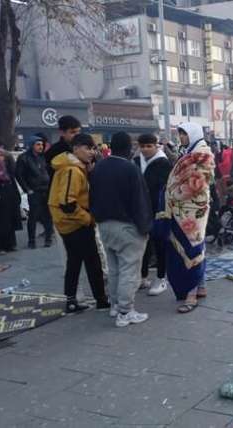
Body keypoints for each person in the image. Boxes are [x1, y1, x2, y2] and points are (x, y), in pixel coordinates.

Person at [90, 132, 152, 327]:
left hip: (104, 225)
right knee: (129, 270)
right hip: (127, 226)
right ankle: (125, 311)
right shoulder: (130, 169)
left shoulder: (99, 167)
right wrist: (145, 227)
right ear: (128, 147)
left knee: (114, 268)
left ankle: (115, 305)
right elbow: (140, 201)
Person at [158, 123, 215, 314]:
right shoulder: (192, 152)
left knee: (191, 250)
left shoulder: (202, 154)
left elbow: (196, 184)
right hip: (186, 209)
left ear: (193, 134)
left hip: (192, 209)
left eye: (183, 134)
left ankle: (191, 295)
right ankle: (200, 287)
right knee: (197, 248)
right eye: (180, 134)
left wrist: (173, 194)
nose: (181, 137)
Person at [48, 134, 109, 312]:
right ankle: (101, 299)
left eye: (93, 148)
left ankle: (71, 300)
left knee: (74, 262)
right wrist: (88, 219)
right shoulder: (72, 170)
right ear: (75, 149)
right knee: (92, 262)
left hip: (68, 222)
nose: (91, 152)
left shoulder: (73, 167)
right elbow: (67, 203)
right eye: (87, 148)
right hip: (75, 223)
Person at [133, 134, 173, 297]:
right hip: (141, 210)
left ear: (156, 146)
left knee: (159, 244)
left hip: (159, 211)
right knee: (143, 245)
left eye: (149, 146)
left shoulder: (163, 163)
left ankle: (160, 277)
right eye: (142, 146)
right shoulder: (135, 162)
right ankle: (142, 277)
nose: (145, 149)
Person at [16, 135, 54, 249]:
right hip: (34, 191)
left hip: (46, 190)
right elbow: (19, 175)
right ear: (31, 145)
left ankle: (48, 238)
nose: (40, 147)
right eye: (38, 144)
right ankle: (31, 240)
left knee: (48, 216)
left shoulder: (44, 157)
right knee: (33, 216)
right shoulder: (24, 158)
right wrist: (27, 189)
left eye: (42, 144)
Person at [44, 115, 82, 179]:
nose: (77, 135)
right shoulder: (53, 151)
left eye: (79, 131)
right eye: (73, 132)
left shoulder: (83, 149)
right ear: (62, 133)